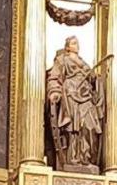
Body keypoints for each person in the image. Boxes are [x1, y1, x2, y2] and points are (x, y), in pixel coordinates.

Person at [44, 35, 106, 173]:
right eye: (73, 43)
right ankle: (73, 158)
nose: (76, 45)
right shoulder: (62, 60)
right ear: (67, 46)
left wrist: (95, 78)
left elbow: (92, 79)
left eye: (77, 42)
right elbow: (54, 77)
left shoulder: (84, 62)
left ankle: (86, 157)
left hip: (86, 95)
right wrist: (55, 91)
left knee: (89, 126)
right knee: (73, 128)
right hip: (71, 94)